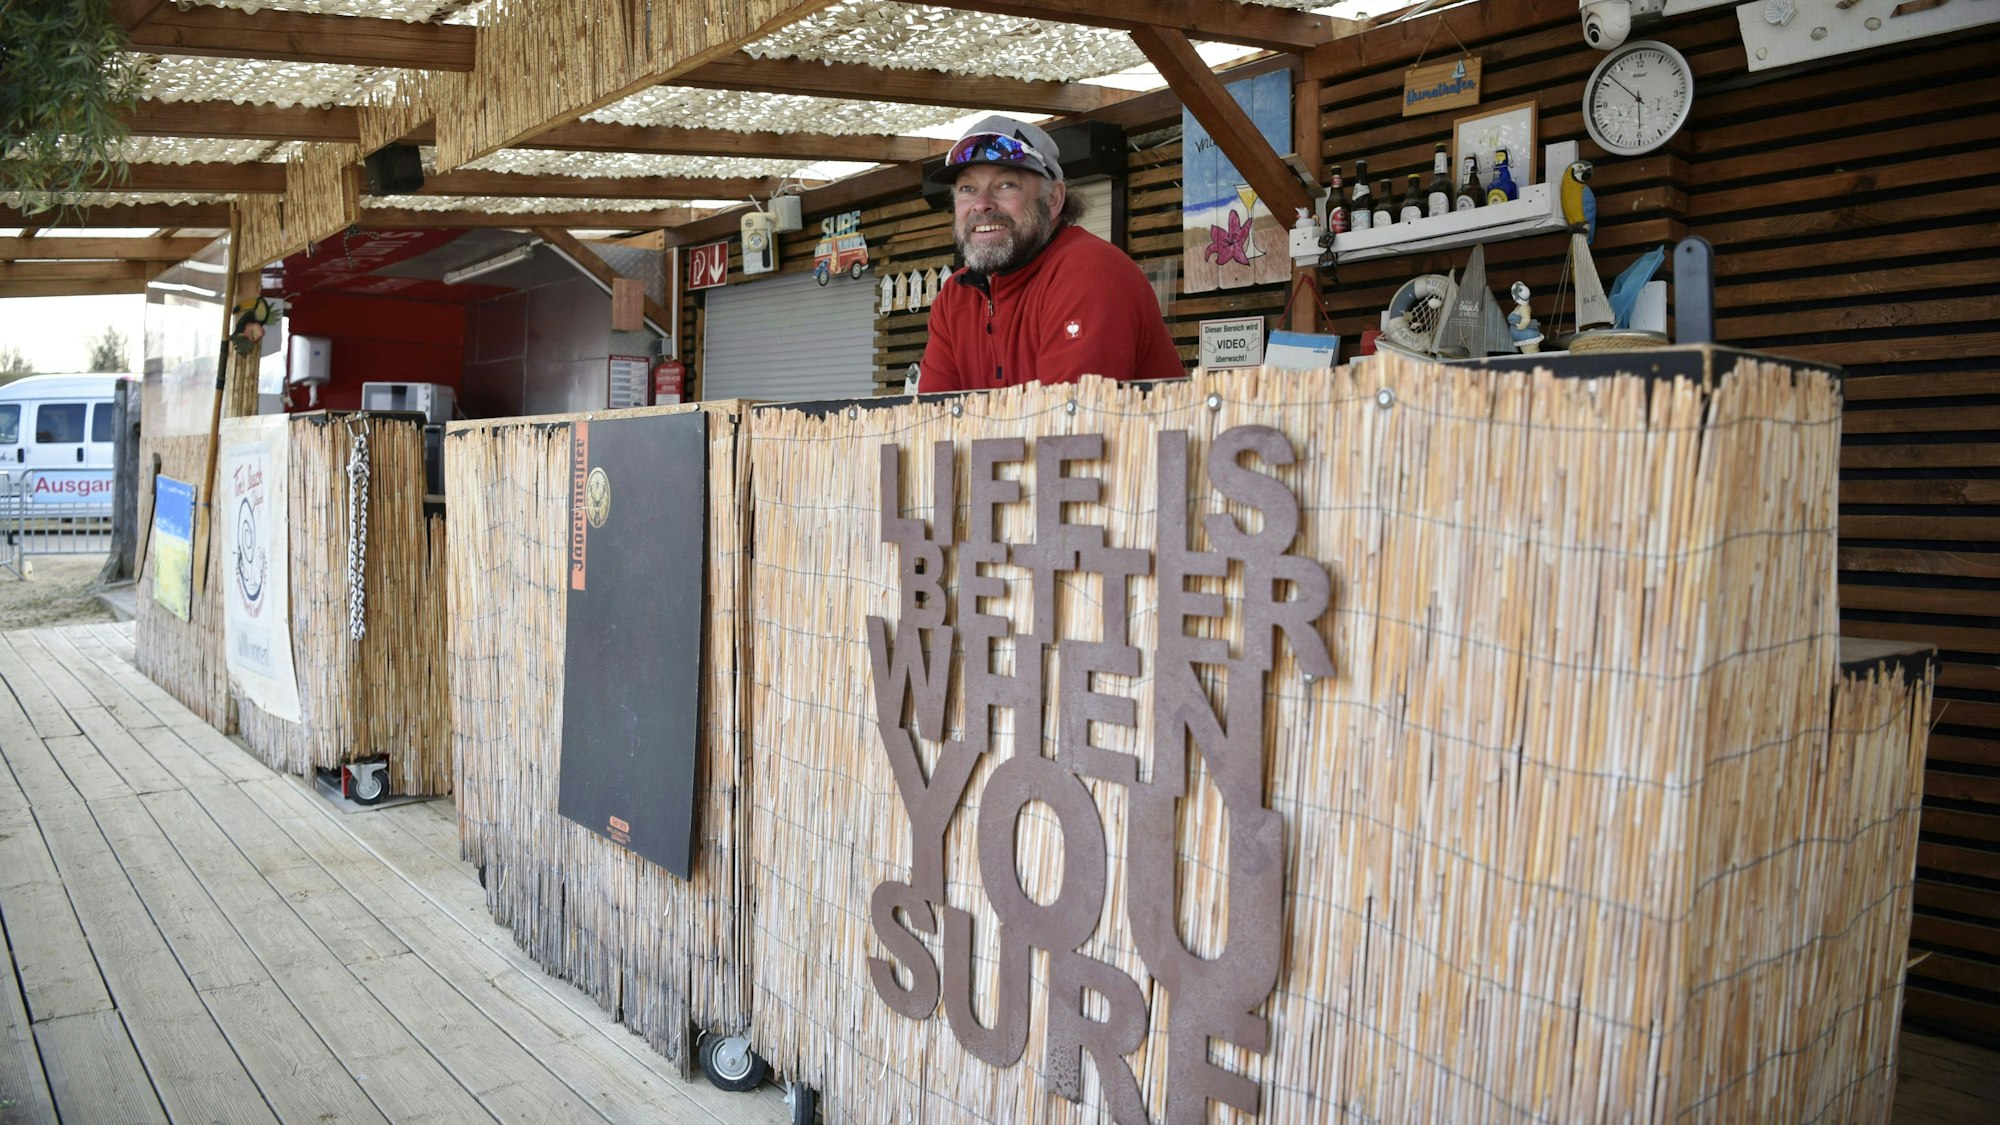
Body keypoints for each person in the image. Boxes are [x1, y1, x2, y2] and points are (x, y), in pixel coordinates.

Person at [918, 115, 1184, 394]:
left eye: (1006, 185)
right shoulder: (955, 296)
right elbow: (933, 418)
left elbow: (1069, 425)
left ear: (1053, 199)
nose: (982, 204)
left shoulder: (1089, 270)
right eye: (967, 189)